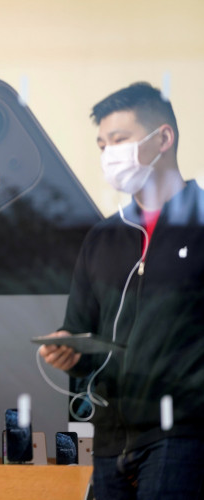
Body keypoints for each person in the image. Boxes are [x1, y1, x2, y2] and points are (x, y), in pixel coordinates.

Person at [38, 82, 204, 498]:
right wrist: (66, 351)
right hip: (111, 442)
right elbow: (79, 330)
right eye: (101, 144)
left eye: (120, 140)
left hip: (183, 437)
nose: (109, 153)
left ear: (163, 138)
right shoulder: (102, 237)